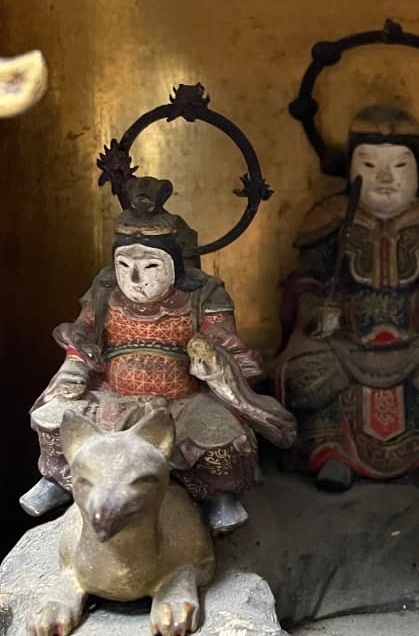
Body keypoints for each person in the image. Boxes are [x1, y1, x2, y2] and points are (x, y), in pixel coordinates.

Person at [22, 184, 294, 531]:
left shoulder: (204, 295)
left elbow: (226, 343)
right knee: (53, 417)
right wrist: (75, 368)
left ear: (175, 265)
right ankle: (58, 481)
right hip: (112, 397)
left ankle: (218, 497)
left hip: (181, 401)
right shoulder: (104, 291)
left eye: (151, 266)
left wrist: (211, 356)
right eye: (124, 265)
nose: (135, 279)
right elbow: (83, 336)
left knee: (220, 435)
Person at [275, 105, 419, 491]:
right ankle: (332, 452)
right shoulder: (329, 216)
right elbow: (302, 282)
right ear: (349, 168)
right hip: (345, 341)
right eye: (369, 164)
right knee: (305, 372)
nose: (385, 178)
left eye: (400, 165)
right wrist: (316, 310)